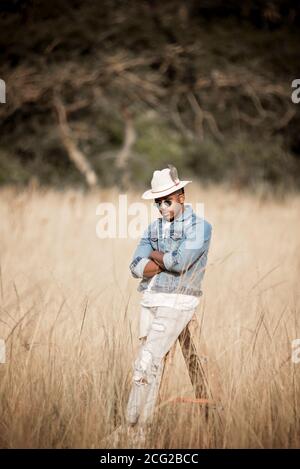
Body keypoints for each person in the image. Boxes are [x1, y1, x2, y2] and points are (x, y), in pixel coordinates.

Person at [126, 164, 212, 434]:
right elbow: (134, 267)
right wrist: (164, 260)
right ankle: (141, 433)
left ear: (181, 197)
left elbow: (182, 262)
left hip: (177, 301)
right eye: (157, 202)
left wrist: (155, 256)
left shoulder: (200, 227)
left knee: (145, 363)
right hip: (150, 300)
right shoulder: (154, 228)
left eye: (167, 201)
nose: (162, 207)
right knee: (150, 366)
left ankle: (128, 426)